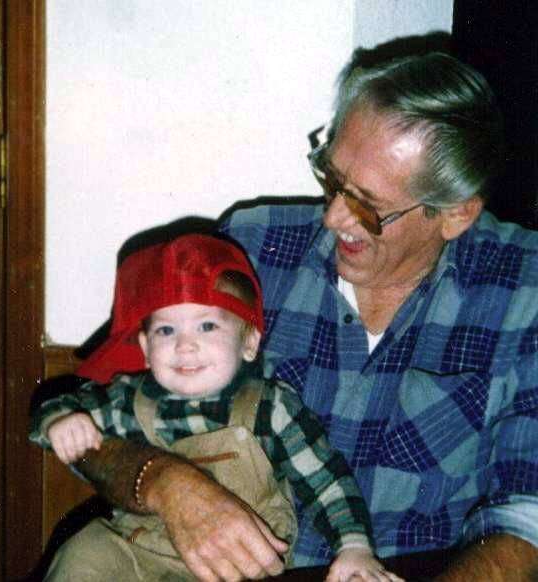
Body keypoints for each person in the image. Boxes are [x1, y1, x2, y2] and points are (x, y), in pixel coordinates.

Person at [48, 51, 538, 581]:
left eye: (367, 206)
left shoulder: (522, 290)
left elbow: (525, 521)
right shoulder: (252, 249)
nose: (333, 217)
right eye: (332, 179)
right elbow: (95, 421)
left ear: (455, 214)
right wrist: (162, 482)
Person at [30, 234, 402, 581]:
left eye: (207, 326)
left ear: (249, 343)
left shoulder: (270, 407)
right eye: (166, 331)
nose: (185, 345)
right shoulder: (128, 399)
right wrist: (59, 420)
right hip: (139, 549)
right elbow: (58, 408)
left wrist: (354, 547)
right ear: (144, 348)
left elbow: (326, 481)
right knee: (82, 552)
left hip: (238, 562)